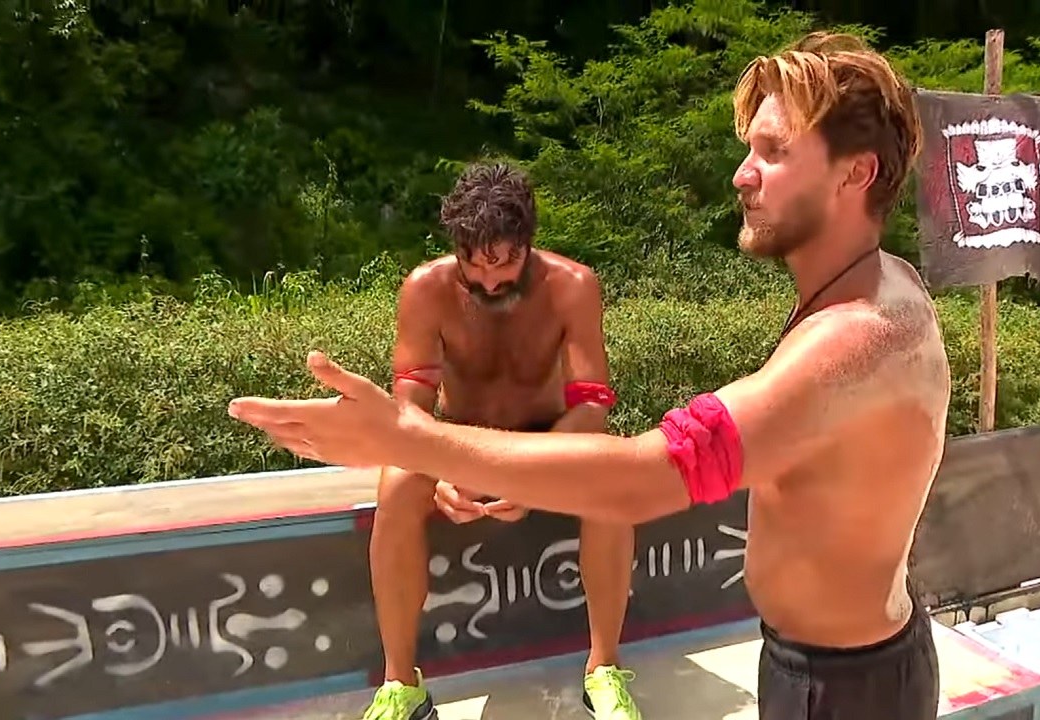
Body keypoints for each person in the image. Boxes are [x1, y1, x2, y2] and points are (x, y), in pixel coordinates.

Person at [230, 32, 951, 720]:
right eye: (749, 149)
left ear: (856, 173)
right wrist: (418, 445)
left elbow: (644, 478)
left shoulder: (853, 340)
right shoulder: (884, 282)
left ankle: (602, 665)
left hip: (842, 686)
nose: (741, 173)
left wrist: (402, 438)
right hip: (841, 661)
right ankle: (400, 678)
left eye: (775, 151)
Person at [356, 162, 641, 720]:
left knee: (612, 480)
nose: (489, 281)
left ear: (528, 243)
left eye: (506, 262)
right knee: (397, 485)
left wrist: (531, 475)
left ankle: (603, 668)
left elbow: (592, 404)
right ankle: (400, 684)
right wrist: (441, 468)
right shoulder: (425, 289)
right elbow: (409, 407)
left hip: (549, 443)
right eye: (474, 264)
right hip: (457, 443)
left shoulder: (572, 286)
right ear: (456, 248)